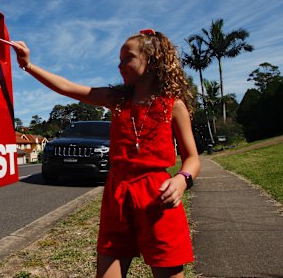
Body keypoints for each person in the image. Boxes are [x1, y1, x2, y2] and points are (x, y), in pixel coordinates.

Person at [11, 29, 200, 278]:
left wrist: (181, 179)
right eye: (119, 59)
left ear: (152, 60)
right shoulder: (117, 99)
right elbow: (69, 88)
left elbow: (192, 157)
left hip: (157, 196)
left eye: (127, 58)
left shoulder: (173, 106)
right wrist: (28, 66)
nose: (119, 65)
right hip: (118, 194)